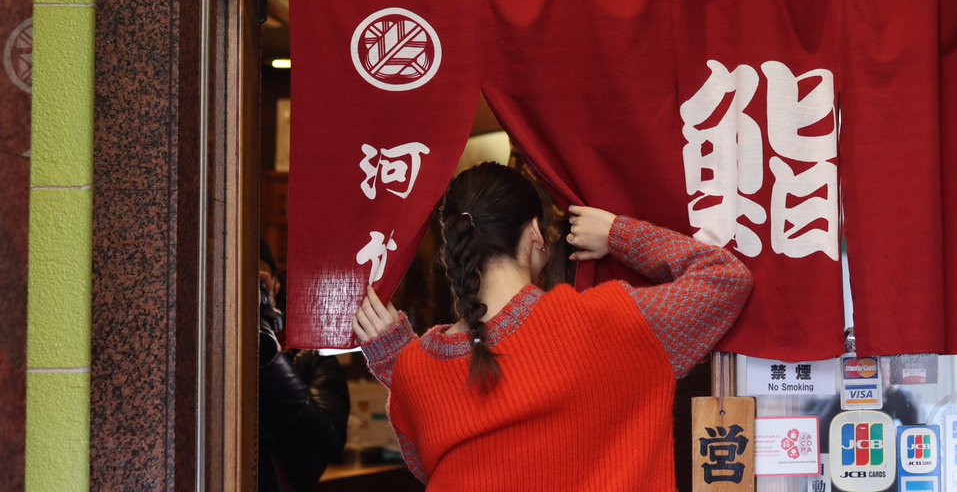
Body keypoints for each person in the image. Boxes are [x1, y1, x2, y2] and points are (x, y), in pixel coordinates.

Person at [352, 161, 753, 491]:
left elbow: (430, 465)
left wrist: (396, 362)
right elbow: (726, 278)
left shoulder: (415, 367)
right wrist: (617, 233)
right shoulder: (608, 322)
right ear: (534, 233)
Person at [259, 241, 350, 492]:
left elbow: (328, 444)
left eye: (257, 280)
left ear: (275, 284)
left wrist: (269, 356)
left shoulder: (311, 355)